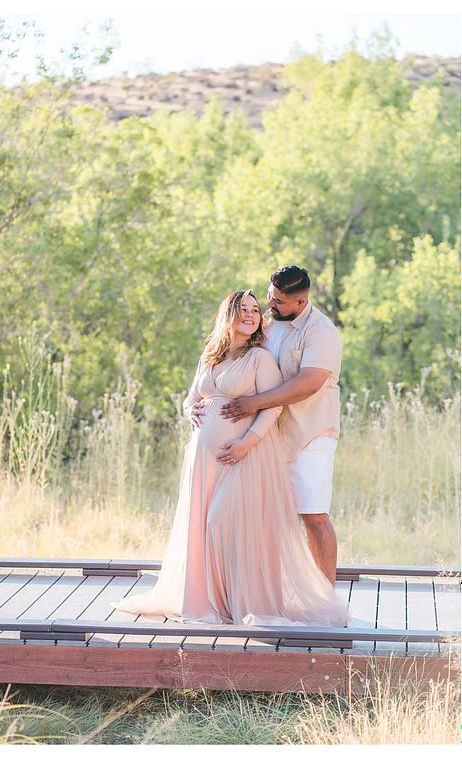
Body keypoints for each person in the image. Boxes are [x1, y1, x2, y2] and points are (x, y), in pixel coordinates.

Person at [116, 290, 347, 627]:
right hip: (204, 460)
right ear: (229, 315)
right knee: (203, 526)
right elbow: (192, 396)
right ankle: (214, 604)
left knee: (220, 521)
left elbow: (272, 406)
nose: (253, 314)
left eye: (256, 309)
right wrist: (189, 410)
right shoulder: (210, 356)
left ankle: (244, 601)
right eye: (245, 309)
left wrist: (245, 443)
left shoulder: (261, 358)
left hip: (243, 455)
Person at [211, 265, 343, 583]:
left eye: (279, 302)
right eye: (270, 297)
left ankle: (325, 596)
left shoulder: (320, 331)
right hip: (266, 435)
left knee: (313, 515)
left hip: (308, 434)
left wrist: (254, 403)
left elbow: (308, 383)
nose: (271, 305)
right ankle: (271, 591)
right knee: (264, 515)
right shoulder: (268, 323)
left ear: (300, 301)